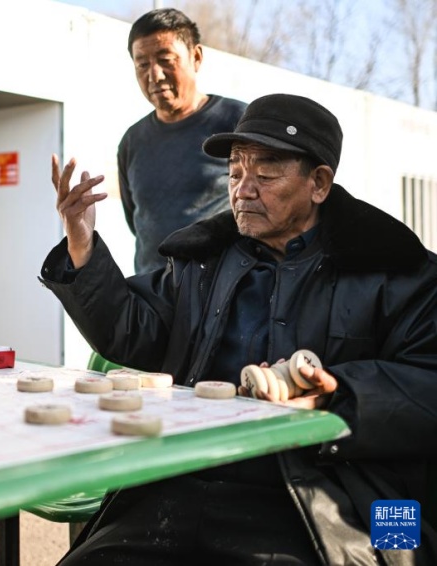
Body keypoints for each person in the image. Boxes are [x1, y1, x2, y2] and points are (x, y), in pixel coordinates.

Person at [42, 94, 437, 564]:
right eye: (234, 173)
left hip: (319, 496)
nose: (243, 190)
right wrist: (82, 242)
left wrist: (340, 393)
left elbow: (427, 382)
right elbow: (132, 332)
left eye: (266, 174)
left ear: (319, 183)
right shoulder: (203, 259)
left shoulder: (393, 266)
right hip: (186, 476)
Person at [117, 8, 246, 273]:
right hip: (152, 298)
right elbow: (136, 220)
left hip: (225, 295)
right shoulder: (132, 141)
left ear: (196, 57)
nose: (154, 75)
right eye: (142, 64)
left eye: (166, 59)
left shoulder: (239, 122)